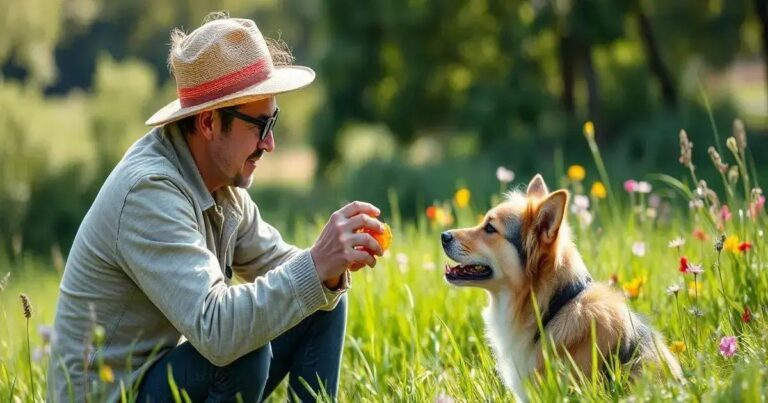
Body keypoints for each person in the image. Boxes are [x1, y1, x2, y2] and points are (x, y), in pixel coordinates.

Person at [47, 12, 385, 402]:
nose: (270, 143)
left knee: (321, 300)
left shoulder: (222, 182)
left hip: (158, 380)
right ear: (208, 123)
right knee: (242, 351)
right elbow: (218, 330)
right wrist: (314, 264)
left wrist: (330, 265)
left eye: (273, 121)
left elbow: (283, 267)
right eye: (259, 125)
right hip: (114, 394)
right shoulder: (148, 191)